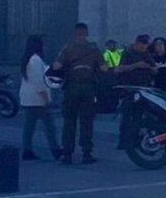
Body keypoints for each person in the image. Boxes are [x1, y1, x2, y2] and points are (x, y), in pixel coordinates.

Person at [53, 23, 107, 165]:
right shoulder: (94, 49)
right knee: (87, 121)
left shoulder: (68, 48)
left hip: (71, 87)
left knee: (69, 120)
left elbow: (56, 66)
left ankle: (67, 154)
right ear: (86, 33)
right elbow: (104, 68)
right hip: (88, 88)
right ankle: (86, 153)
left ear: (75, 33)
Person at [19, 35, 62, 160]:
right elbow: (39, 82)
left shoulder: (27, 59)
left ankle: (27, 150)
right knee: (49, 126)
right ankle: (55, 149)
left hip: (28, 98)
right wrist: (46, 99)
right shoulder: (36, 60)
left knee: (29, 126)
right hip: (37, 99)